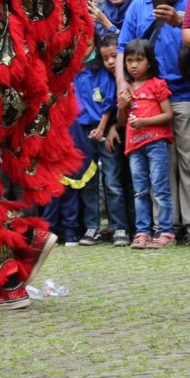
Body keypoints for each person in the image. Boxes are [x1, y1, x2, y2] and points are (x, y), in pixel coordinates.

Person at [119, 0, 190, 244]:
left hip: (185, 92)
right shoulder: (137, 7)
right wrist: (125, 86)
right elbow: (123, 49)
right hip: (148, 98)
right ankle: (166, 225)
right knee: (160, 167)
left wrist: (179, 19)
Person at [121, 38, 174, 249]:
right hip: (134, 146)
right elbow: (122, 121)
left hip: (156, 143)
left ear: (149, 62)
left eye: (139, 60)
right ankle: (142, 232)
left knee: (160, 189)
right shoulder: (126, 89)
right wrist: (121, 106)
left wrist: (144, 122)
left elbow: (168, 114)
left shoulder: (157, 85)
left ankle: (166, 232)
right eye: (129, 60)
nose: (134, 65)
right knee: (140, 191)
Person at [78, 35, 129, 245]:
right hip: (84, 133)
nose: (109, 62)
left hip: (105, 131)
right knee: (88, 182)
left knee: (112, 181)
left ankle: (119, 228)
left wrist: (101, 129)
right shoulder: (81, 74)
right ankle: (92, 227)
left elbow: (110, 104)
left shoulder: (107, 76)